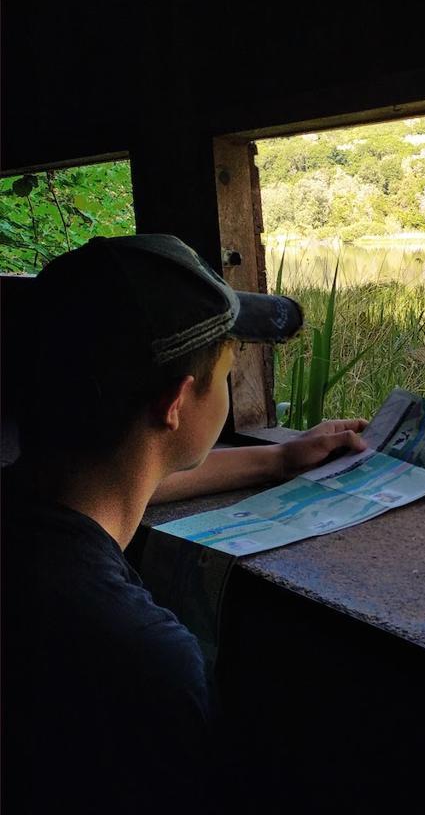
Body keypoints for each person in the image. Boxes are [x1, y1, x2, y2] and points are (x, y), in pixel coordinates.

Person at [1, 234, 368, 813]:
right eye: (225, 372)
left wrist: (277, 457)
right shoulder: (138, 659)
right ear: (176, 402)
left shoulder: (33, 500)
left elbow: (126, 473)